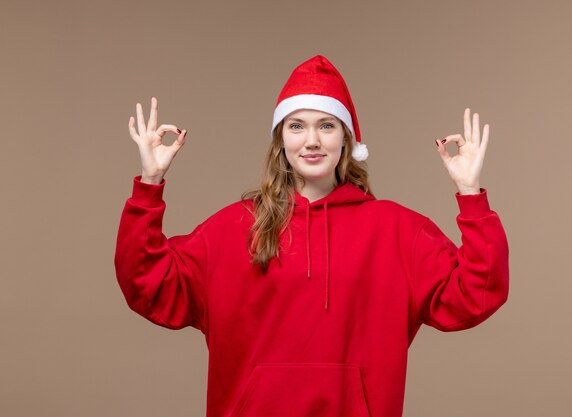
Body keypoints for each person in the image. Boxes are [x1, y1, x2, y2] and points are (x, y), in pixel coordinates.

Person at [115, 54, 509, 417]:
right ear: (281, 139)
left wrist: (470, 192)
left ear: (346, 139)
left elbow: (477, 292)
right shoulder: (234, 228)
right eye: (297, 126)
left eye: (326, 125)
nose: (312, 140)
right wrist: (150, 182)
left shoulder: (397, 230)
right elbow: (146, 282)